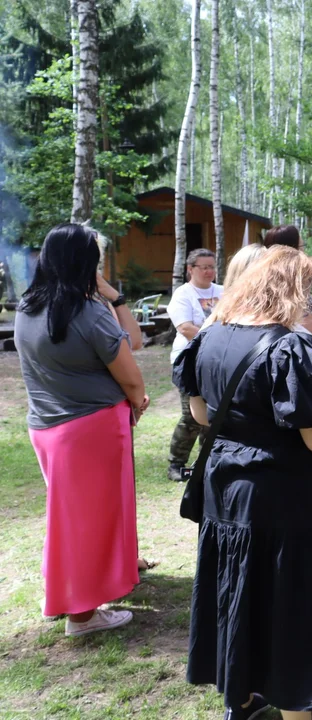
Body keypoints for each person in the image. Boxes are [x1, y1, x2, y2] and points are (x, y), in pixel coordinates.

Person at [172, 246, 312, 720]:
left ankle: (241, 696)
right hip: (285, 501)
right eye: (308, 290)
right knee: (289, 601)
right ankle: (294, 709)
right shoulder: (291, 346)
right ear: (292, 291)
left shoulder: (212, 337)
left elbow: (202, 413)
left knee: (240, 593)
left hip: (227, 495)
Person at [15, 223, 151, 637]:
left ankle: (63, 595)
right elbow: (130, 375)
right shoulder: (86, 312)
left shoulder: (27, 306)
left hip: (46, 427)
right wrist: (138, 400)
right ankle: (83, 614)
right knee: (90, 521)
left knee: (70, 519)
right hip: (90, 428)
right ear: (86, 262)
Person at [166, 248, 222, 482]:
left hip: (217, 362)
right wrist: (218, 339)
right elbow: (185, 328)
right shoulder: (183, 294)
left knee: (214, 415)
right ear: (190, 269)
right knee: (191, 417)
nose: (209, 271)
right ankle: (176, 464)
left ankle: (206, 462)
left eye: (212, 266)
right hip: (190, 362)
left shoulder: (223, 292)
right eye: (204, 267)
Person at [264, 225, 312, 333]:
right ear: (291, 250)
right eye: (301, 246)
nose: (304, 251)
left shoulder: (260, 281)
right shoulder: (295, 282)